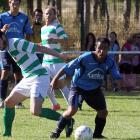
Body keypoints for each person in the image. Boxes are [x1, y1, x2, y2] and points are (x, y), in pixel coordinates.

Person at [0, 31, 73, 137]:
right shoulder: (9, 47)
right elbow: (36, 46)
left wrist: (60, 55)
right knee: (8, 102)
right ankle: (7, 135)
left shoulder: (16, 43)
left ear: (3, 37)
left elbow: (40, 49)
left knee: (35, 111)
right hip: (28, 78)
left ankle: (67, 119)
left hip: (39, 77)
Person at [49, 37, 122, 139]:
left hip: (95, 90)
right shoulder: (86, 57)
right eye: (99, 48)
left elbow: (116, 73)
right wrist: (55, 79)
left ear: (109, 49)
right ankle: (56, 133)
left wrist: (118, 80)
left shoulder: (110, 62)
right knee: (72, 111)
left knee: (103, 112)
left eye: (105, 48)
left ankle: (97, 135)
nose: (102, 51)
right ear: (95, 47)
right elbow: (67, 67)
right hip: (78, 87)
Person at [0, 0, 33, 108]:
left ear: (19, 5)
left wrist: (27, 47)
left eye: (17, 4)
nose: (15, 6)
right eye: (13, 3)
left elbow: (28, 33)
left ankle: (17, 102)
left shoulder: (24, 17)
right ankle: (3, 100)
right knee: (4, 72)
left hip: (18, 50)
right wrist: (3, 30)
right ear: (9, 4)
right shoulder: (2, 16)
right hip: (4, 50)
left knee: (18, 74)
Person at [41, 6, 69, 111]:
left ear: (54, 15)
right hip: (45, 61)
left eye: (50, 14)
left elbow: (65, 40)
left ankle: (72, 104)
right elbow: (44, 44)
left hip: (57, 61)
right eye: (46, 13)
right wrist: (34, 46)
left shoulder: (56, 26)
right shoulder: (43, 28)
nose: (48, 15)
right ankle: (55, 104)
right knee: (45, 82)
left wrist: (54, 39)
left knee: (61, 84)